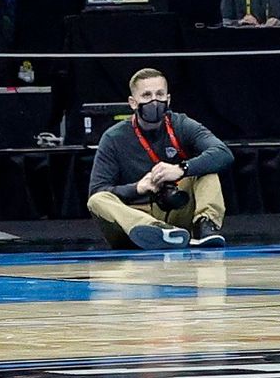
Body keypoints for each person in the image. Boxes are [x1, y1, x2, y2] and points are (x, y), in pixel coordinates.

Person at [86, 68, 232, 247]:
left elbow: (222, 152)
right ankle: (154, 230)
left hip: (176, 209)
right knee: (97, 200)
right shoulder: (113, 138)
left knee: (207, 169)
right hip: (134, 216)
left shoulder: (181, 124)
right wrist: (138, 188)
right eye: (146, 95)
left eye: (159, 94)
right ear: (133, 102)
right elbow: (97, 190)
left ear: (168, 99)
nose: (154, 101)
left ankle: (205, 225)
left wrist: (181, 169)